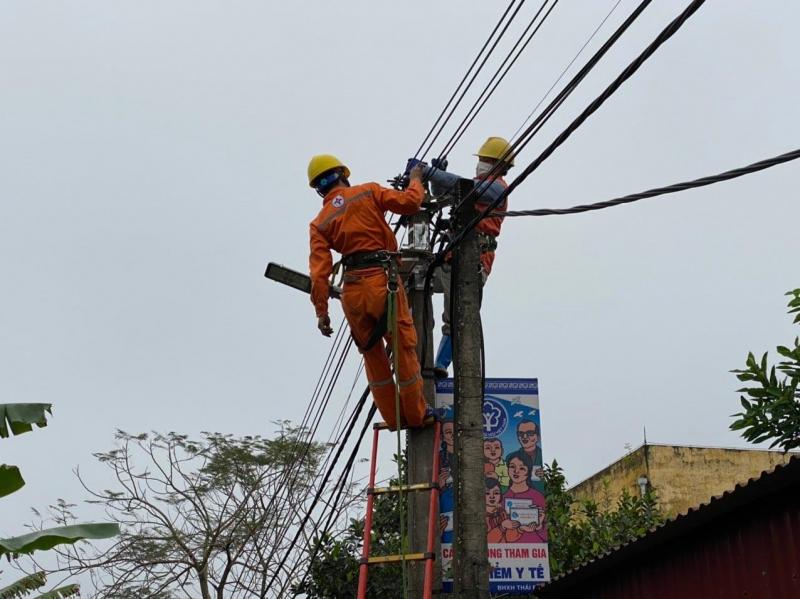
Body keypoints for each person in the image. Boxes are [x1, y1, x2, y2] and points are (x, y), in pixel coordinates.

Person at [307, 154, 429, 430]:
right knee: (403, 349)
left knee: (373, 359)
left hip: (352, 294)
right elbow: (411, 203)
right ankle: (417, 415)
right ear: (343, 175)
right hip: (382, 281)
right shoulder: (368, 192)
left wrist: (322, 313)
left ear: (319, 189)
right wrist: (416, 179)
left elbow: (319, 274)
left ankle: (394, 419)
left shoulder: (320, 223)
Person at [420, 137, 515, 377]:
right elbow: (446, 193)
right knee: (416, 282)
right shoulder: (474, 188)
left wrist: (429, 172)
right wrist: (437, 177)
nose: (480, 164)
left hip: (472, 263)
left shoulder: (497, 188)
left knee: (457, 316)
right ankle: (419, 349)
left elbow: (460, 186)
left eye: (484, 160)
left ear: (496, 164)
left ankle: (440, 365)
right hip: (451, 257)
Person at [503, 452, 547, 543]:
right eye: (512, 466)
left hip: (534, 550)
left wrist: (539, 526)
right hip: (506, 551)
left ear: (529, 472)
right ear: (507, 469)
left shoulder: (537, 497)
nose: (516, 471)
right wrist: (502, 525)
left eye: (522, 468)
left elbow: (545, 536)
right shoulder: (500, 497)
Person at [486, 477, 521, 544]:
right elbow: (490, 540)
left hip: (503, 551)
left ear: (500, 495)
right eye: (487, 493)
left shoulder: (502, 512)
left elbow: (510, 538)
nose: (492, 496)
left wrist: (520, 528)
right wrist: (502, 526)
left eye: (496, 493)